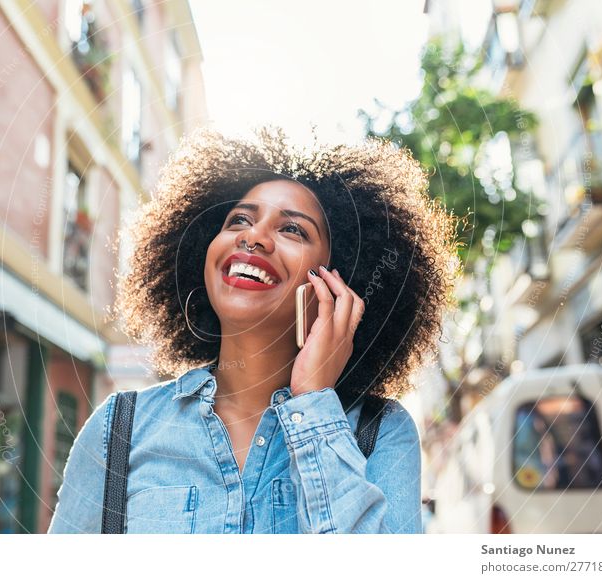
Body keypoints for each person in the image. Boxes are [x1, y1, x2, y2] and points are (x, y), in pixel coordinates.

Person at [48, 126, 459, 534]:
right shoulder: (118, 430)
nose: (254, 237)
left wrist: (315, 403)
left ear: (338, 281)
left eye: (292, 229)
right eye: (239, 220)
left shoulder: (380, 432)